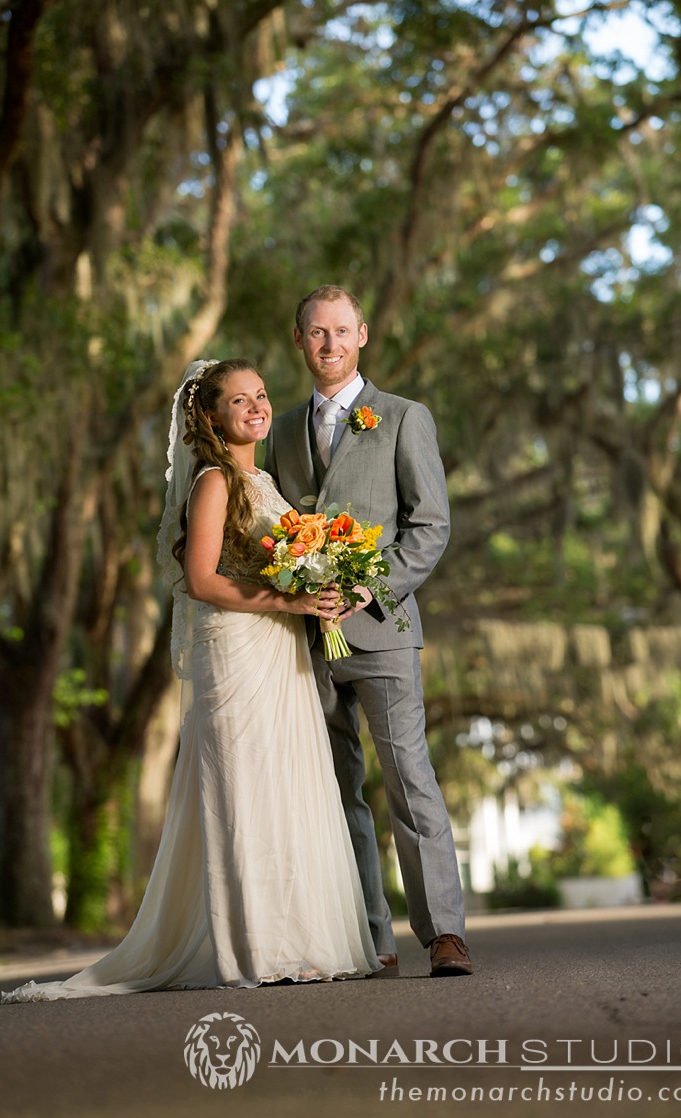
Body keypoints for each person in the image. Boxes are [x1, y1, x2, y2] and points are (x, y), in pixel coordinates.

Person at [4, 360, 378, 1002]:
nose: (258, 408)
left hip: (278, 648)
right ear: (209, 417)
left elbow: (282, 560)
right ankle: (256, 949)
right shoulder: (212, 481)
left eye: (261, 396)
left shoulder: (260, 477)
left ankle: (305, 943)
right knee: (243, 793)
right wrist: (289, 601)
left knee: (287, 785)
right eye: (240, 401)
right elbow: (202, 581)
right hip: (233, 651)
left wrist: (324, 582)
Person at [263, 285, 471, 978]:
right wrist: (294, 586)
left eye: (341, 332)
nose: (329, 344)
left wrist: (363, 586)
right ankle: (368, 936)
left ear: (363, 335)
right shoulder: (281, 430)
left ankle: (444, 932)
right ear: (299, 341)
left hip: (382, 632)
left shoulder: (406, 418)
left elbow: (430, 526)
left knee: (409, 779)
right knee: (333, 788)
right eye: (316, 333)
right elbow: (273, 531)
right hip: (303, 645)